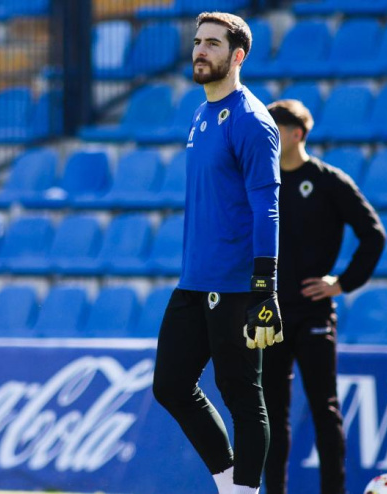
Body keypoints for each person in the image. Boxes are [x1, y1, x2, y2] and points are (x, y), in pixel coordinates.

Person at [152, 12, 283, 494]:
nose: (200, 51)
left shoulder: (252, 120)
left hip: (234, 286)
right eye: (197, 42)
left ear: (237, 55)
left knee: (244, 401)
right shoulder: (202, 113)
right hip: (194, 280)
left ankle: (243, 491)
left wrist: (264, 288)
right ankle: (231, 485)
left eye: (212, 43)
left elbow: (267, 207)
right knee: (169, 385)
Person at [262, 100, 386, 494]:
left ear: (297, 133)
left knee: (324, 410)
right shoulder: (262, 183)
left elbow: (373, 235)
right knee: (272, 417)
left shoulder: (329, 180)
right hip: (271, 314)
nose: (268, 136)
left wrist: (342, 282)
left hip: (315, 313)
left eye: (275, 129)